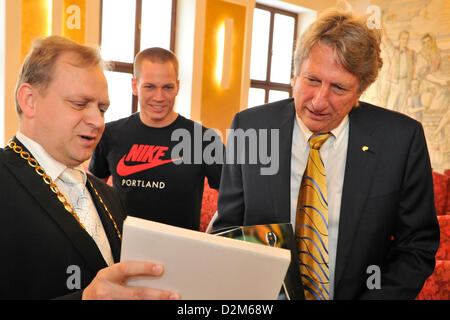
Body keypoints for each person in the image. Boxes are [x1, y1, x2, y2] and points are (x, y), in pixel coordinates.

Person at [213, 10, 440, 300]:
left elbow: (416, 245)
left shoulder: (401, 140)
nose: (319, 102)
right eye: (311, 80)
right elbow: (228, 228)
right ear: (295, 74)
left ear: (360, 90)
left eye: (338, 88)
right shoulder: (250, 127)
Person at [0, 35, 180, 300]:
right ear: (29, 100)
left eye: (102, 108)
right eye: (80, 104)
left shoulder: (107, 194)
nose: (97, 121)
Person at [89, 47, 222, 231]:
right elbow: (93, 193)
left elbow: (235, 194)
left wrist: (216, 236)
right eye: (150, 87)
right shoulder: (110, 133)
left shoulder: (204, 139)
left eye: (167, 87)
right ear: (135, 86)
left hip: (181, 251)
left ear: (177, 86)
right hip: (123, 248)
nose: (159, 97)